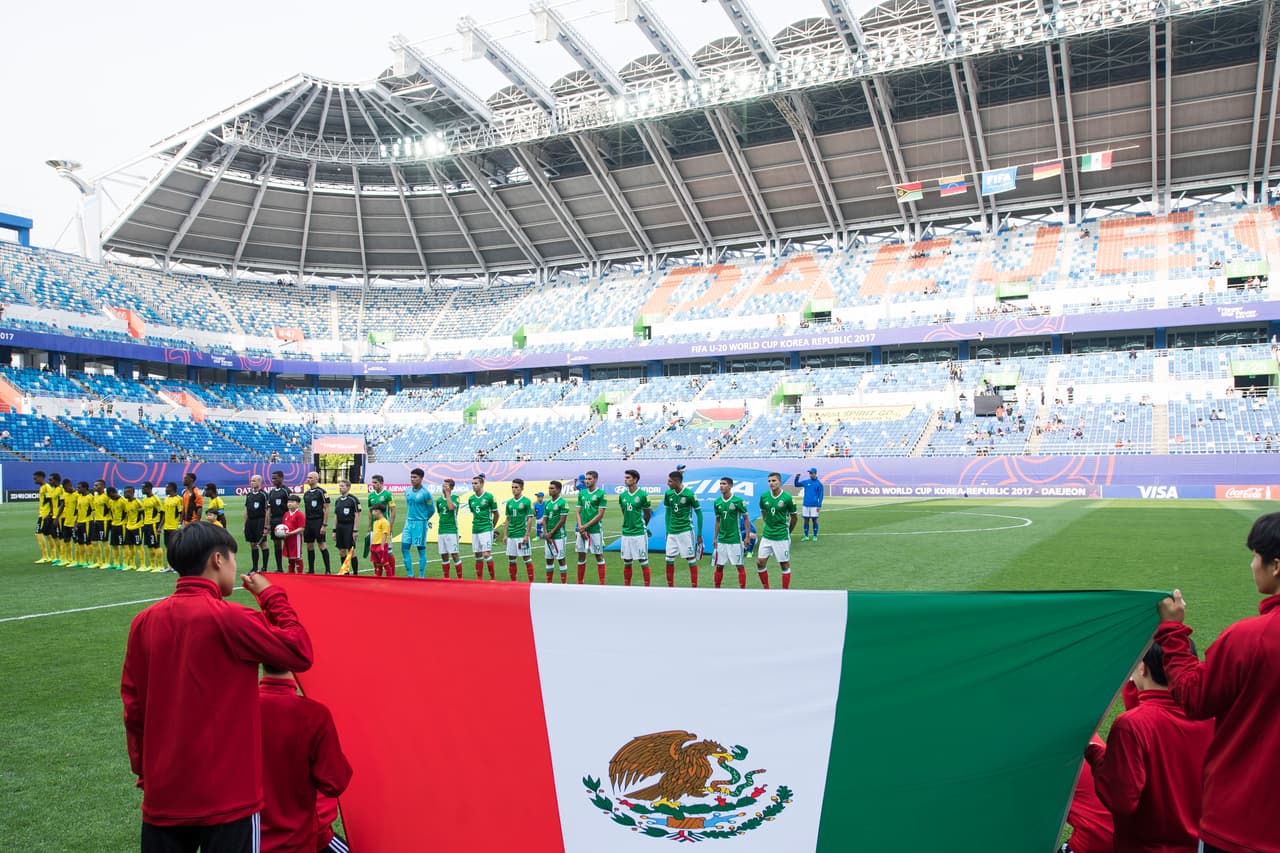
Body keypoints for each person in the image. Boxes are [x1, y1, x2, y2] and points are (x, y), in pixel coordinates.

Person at [121, 522, 313, 853]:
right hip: (229, 795)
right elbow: (299, 651)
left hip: (165, 791)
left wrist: (145, 770)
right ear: (218, 560)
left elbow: (133, 708)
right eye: (233, 559)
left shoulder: (144, 621)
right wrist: (270, 594)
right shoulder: (231, 617)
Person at [1154, 511, 1280, 853]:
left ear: (1276, 566)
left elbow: (1194, 698)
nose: (1253, 565)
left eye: (1255, 556)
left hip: (1240, 826)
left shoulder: (1250, 638)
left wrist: (1173, 632)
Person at [1084, 641, 1213, 853]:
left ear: (1143, 667)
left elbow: (1120, 799)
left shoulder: (1132, 725)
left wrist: (1095, 753)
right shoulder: (1211, 716)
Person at [257, 666, 352, 853]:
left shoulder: (240, 710)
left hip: (250, 841)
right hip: (300, 842)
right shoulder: (314, 716)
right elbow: (335, 782)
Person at [756, 472, 798, 589]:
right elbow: (763, 511)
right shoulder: (764, 496)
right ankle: (766, 588)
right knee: (760, 562)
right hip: (767, 535)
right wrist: (768, 524)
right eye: (769, 481)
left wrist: (788, 532)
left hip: (781, 536)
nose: (771, 483)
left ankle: (784, 591)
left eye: (774, 481)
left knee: (784, 565)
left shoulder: (787, 498)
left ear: (780, 482)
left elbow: (794, 517)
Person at [662, 470, 704, 588]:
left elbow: (699, 513)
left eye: (670, 481)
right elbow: (668, 512)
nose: (667, 483)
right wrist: (667, 529)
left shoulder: (689, 494)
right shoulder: (668, 494)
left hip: (685, 530)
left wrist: (699, 533)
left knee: (690, 558)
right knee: (669, 559)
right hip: (672, 532)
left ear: (677, 481)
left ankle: (694, 587)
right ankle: (670, 587)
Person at [713, 477, 755, 589]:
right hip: (722, 539)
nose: (721, 486)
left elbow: (746, 519)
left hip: (735, 539)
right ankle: (716, 590)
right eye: (720, 484)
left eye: (724, 484)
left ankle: (742, 590)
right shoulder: (717, 502)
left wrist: (746, 537)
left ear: (730, 486)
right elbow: (717, 520)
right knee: (719, 566)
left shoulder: (738, 501)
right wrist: (715, 538)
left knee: (740, 566)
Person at [617, 469, 653, 587]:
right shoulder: (622, 496)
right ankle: (627, 586)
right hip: (626, 532)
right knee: (627, 561)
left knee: (643, 560)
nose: (625, 480)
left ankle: (647, 587)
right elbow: (624, 512)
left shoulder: (643, 495)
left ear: (635, 479)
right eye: (625, 477)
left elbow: (648, 514)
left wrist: (642, 526)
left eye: (628, 477)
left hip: (639, 533)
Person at [575, 470, 608, 585]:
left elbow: (600, 514)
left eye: (590, 479)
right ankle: (580, 582)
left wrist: (585, 526)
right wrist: (580, 527)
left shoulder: (601, 494)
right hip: (582, 530)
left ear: (595, 479)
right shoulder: (582, 493)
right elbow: (578, 512)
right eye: (586, 479)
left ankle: (602, 583)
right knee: (581, 555)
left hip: (595, 531)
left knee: (598, 555)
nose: (587, 481)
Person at [501, 478, 535, 582]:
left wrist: (526, 535)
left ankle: (531, 582)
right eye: (512, 487)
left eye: (516, 487)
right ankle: (513, 582)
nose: (514, 489)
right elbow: (507, 519)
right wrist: (505, 535)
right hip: (511, 535)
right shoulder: (509, 503)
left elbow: (530, 519)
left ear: (522, 488)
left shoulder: (526, 501)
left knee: (527, 558)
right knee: (511, 559)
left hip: (521, 535)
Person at [402, 468, 434, 578]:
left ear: (421, 478)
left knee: (420, 549)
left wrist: (423, 519)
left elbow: (431, 509)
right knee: (404, 548)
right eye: (411, 477)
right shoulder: (407, 491)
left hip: (420, 524)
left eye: (415, 477)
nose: (412, 479)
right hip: (408, 523)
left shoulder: (426, 494)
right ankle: (410, 574)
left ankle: (421, 575)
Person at [467, 475, 499, 580]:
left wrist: (492, 527)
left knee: (486, 554)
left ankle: (492, 578)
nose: (473, 485)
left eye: (476, 483)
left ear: (482, 484)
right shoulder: (471, 499)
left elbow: (496, 514)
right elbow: (474, 512)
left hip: (486, 528)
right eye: (472, 483)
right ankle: (479, 580)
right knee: (477, 555)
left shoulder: (489, 496)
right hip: (475, 528)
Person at [301, 472, 331, 575]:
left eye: (310, 477)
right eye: (307, 477)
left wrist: (324, 525)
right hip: (308, 522)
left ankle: (328, 570)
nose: (308, 479)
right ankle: (311, 569)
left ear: (316, 479)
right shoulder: (307, 494)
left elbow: (327, 509)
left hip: (318, 521)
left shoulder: (322, 492)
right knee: (309, 545)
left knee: (322, 545)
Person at [542, 480, 569, 583]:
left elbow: (562, 520)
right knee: (549, 559)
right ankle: (549, 583)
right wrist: (546, 533)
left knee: (561, 559)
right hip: (548, 537)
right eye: (549, 488)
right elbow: (544, 519)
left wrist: (551, 533)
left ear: (558, 490)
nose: (550, 490)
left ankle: (564, 584)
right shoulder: (547, 503)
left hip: (559, 536)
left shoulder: (563, 503)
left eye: (552, 488)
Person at [332, 479, 361, 575]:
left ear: (348, 487)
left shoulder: (353, 500)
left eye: (342, 486)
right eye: (339, 486)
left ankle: (356, 573)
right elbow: (335, 516)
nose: (340, 488)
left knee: (351, 550)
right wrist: (334, 530)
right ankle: (345, 572)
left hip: (349, 526)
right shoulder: (338, 500)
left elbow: (357, 515)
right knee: (341, 550)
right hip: (340, 527)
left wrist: (355, 530)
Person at [365, 474, 395, 561]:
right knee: (375, 551)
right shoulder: (371, 496)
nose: (373, 484)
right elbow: (370, 512)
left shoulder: (387, 494)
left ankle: (391, 573)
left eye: (375, 482)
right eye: (372, 483)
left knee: (388, 551)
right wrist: (369, 526)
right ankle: (378, 572)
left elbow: (393, 510)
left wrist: (391, 526)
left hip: (384, 526)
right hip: (374, 527)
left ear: (381, 483)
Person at [266, 471, 292, 573]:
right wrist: (267, 524)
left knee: (289, 544)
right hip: (274, 520)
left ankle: (291, 567)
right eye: (272, 478)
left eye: (275, 478)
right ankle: (279, 568)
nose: (273, 480)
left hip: (285, 519)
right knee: (276, 544)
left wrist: (289, 521)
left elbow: (291, 506)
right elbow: (269, 509)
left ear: (281, 478)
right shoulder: (271, 492)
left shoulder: (286, 491)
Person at [435, 478, 461, 579]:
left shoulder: (455, 498)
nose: (444, 487)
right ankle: (446, 578)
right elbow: (439, 513)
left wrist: (448, 494)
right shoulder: (439, 500)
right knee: (444, 555)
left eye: (446, 486)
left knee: (454, 555)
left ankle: (460, 578)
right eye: (443, 485)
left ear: (452, 488)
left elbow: (450, 508)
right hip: (441, 530)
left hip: (452, 530)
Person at [244, 475, 270, 573]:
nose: (252, 482)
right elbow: (246, 509)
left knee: (263, 544)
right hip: (250, 522)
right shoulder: (249, 494)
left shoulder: (263, 494)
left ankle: (264, 567)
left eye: (254, 481)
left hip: (260, 520)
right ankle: (254, 567)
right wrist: (245, 524)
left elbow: (267, 511)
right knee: (253, 544)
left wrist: (266, 526)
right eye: (251, 481)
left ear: (260, 481)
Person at [793, 468, 824, 541]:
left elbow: (821, 495)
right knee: (806, 520)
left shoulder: (819, 484)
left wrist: (819, 505)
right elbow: (796, 484)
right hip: (806, 504)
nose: (810, 474)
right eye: (810, 473)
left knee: (814, 520)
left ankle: (815, 536)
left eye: (812, 473)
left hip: (814, 505)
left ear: (815, 474)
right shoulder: (806, 482)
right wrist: (797, 477)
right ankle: (806, 536)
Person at [140, 481, 164, 573]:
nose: (142, 490)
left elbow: (162, 513)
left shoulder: (156, 499)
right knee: (149, 545)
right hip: (146, 525)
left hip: (154, 524)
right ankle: (152, 565)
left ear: (148, 488)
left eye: (143, 488)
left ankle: (160, 565)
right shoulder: (145, 499)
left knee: (156, 545)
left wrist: (159, 527)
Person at [279, 495, 306, 574]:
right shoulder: (286, 514)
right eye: (288, 502)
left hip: (295, 538)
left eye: (292, 502)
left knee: (297, 556)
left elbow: (302, 528)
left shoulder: (299, 514)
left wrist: (291, 533)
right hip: (287, 538)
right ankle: (291, 573)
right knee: (290, 556)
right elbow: (284, 526)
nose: (289, 504)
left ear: (297, 504)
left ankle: (300, 573)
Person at [121, 486, 144, 572]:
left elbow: (143, 511)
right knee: (130, 547)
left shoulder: (138, 502)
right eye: (124, 492)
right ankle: (132, 564)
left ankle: (143, 564)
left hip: (137, 527)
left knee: (138, 546)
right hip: (128, 527)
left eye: (127, 492)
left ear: (132, 493)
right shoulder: (126, 503)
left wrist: (141, 523)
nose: (125, 494)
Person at [162, 483, 184, 569]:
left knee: (176, 547)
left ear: (171, 488)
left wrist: (179, 523)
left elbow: (181, 512)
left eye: (166, 487)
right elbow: (164, 513)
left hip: (174, 527)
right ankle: (169, 566)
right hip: (166, 527)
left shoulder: (179, 499)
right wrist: (160, 526)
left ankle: (177, 566)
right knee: (167, 547)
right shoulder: (166, 499)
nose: (165, 489)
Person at [369, 504, 394, 577]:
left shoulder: (384, 522)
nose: (372, 513)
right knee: (377, 563)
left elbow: (385, 534)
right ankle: (378, 577)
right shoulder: (375, 522)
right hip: (374, 545)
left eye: (373, 511)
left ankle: (390, 577)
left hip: (381, 545)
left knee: (385, 562)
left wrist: (382, 545)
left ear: (378, 511)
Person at [90, 478, 110, 568]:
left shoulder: (106, 497)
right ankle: (99, 561)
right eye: (94, 485)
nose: (95, 487)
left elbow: (110, 508)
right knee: (94, 541)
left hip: (104, 522)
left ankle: (107, 562)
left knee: (104, 542)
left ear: (102, 486)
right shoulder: (95, 497)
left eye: (96, 485)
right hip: (96, 521)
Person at [57, 478, 77, 566]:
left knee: (76, 542)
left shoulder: (77, 495)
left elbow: (80, 510)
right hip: (66, 522)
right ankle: (69, 559)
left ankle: (77, 560)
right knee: (66, 541)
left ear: (70, 486)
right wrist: (57, 517)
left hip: (74, 522)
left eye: (65, 488)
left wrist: (77, 521)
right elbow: (62, 506)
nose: (64, 490)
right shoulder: (65, 494)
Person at [34, 470, 52, 564]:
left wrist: (49, 514)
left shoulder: (46, 487)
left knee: (38, 534)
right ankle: (51, 556)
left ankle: (45, 556)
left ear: (41, 477)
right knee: (48, 535)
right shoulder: (42, 487)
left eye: (35, 478)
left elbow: (51, 501)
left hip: (44, 515)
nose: (34, 480)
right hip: (43, 514)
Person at [73, 480, 93, 568]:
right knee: (80, 542)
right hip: (80, 522)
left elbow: (93, 509)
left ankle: (91, 561)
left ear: (85, 488)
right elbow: (78, 510)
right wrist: (76, 522)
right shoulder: (79, 497)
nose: (77, 489)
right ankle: (82, 561)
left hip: (87, 522)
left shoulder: (90, 497)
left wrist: (91, 520)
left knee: (87, 542)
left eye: (79, 487)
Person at [106, 486, 125, 570]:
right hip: (114, 525)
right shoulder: (110, 501)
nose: (111, 498)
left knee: (123, 545)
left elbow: (126, 513)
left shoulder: (123, 501)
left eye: (111, 496)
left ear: (114, 492)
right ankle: (116, 563)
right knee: (114, 545)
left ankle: (124, 563)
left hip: (122, 526)